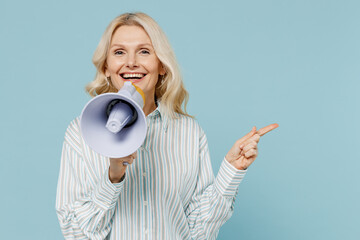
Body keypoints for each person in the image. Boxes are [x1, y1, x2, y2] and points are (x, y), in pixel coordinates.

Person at [56, 12, 278, 240]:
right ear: (106, 67)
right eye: (119, 52)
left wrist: (231, 170)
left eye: (144, 51)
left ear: (161, 65)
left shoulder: (189, 133)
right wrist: (113, 178)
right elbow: (75, 232)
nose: (131, 62)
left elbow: (198, 232)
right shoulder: (80, 133)